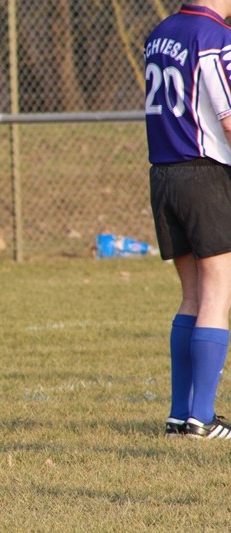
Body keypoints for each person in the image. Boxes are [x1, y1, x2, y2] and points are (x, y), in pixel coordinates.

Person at [145, 1, 231, 439]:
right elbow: (228, 117)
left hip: (163, 175)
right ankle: (202, 418)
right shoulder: (214, 35)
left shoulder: (159, 32)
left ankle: (180, 416)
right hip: (205, 174)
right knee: (217, 293)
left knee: (192, 296)